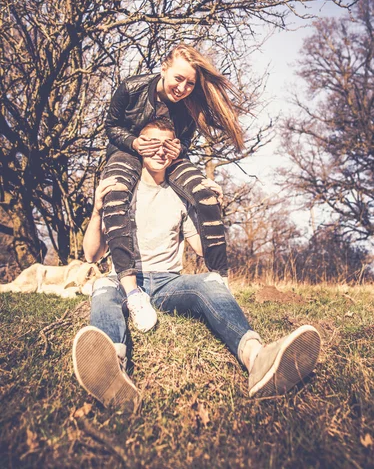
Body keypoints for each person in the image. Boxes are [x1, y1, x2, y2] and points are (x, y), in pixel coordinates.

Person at [72, 118, 321, 411]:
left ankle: (257, 358)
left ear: (176, 150)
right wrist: (97, 209)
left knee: (208, 282)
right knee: (102, 286)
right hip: (124, 283)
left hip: (167, 283)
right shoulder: (121, 191)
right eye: (153, 142)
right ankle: (112, 369)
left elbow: (203, 249)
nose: (160, 150)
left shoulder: (180, 195)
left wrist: (213, 211)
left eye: (168, 144)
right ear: (139, 146)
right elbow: (92, 254)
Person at [101, 43, 244, 332]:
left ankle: (220, 280)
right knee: (115, 196)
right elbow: (111, 125)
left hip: (168, 154)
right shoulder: (132, 88)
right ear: (164, 68)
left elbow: (185, 145)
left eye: (190, 83)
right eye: (179, 78)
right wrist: (134, 143)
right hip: (126, 150)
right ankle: (132, 293)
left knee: (205, 193)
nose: (183, 87)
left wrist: (196, 173)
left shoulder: (188, 108)